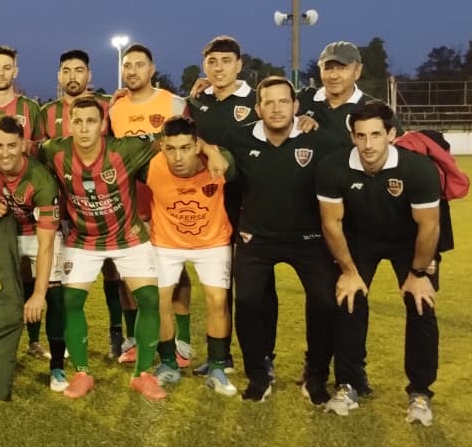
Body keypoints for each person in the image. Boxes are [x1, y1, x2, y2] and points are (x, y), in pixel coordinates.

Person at [39, 97, 226, 400]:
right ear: (69, 124)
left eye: (91, 121)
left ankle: (142, 375)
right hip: (83, 239)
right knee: (70, 300)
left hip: (128, 237)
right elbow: (22, 150)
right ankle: (82, 373)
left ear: (103, 125)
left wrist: (209, 150)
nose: (84, 128)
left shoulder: (126, 148)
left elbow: (171, 138)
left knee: (150, 299)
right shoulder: (53, 150)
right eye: (78, 121)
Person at [215, 76, 347, 403]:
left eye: (284, 102)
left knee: (324, 302)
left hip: (309, 238)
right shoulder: (238, 138)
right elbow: (220, 167)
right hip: (256, 238)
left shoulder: (320, 140)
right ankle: (258, 374)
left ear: (296, 106)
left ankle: (316, 375)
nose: (276, 109)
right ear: (258, 108)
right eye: (269, 102)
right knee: (248, 303)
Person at [316, 102, 442, 424]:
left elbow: (429, 227)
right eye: (361, 136)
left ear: (391, 134)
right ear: (352, 137)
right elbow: (331, 224)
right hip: (360, 240)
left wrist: (417, 273)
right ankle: (349, 384)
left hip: (410, 242)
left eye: (375, 135)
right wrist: (348, 271)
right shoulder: (333, 167)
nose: (368, 144)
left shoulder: (418, 169)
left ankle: (420, 392)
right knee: (348, 300)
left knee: (420, 304)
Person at [184, 35, 270, 375]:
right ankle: (222, 356)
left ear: (239, 65)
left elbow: (288, 115)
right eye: (212, 62)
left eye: (225, 61)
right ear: (204, 66)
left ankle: (264, 356)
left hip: (251, 203)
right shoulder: (197, 102)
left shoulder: (256, 100)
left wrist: (307, 118)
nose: (218, 68)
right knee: (219, 284)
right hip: (209, 205)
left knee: (257, 286)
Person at [0, 116, 67, 390]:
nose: (5, 153)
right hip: (4, 232)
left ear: (23, 145)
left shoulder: (41, 180)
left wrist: (39, 294)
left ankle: (57, 367)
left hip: (39, 233)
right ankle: (2, 355)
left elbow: (46, 246)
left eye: (11, 145)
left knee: (54, 294)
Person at [40, 50, 127, 362]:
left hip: (105, 207)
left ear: (89, 74)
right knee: (65, 277)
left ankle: (118, 334)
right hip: (64, 208)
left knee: (113, 273)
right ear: (59, 76)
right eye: (66, 70)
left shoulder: (109, 105)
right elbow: (38, 154)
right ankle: (66, 339)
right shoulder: (46, 112)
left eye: (79, 70)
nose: (72, 76)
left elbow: (120, 148)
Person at [108, 43, 190, 366]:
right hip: (127, 203)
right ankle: (133, 339)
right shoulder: (114, 110)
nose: (132, 71)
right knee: (127, 273)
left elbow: (190, 147)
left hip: (168, 202)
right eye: (127, 65)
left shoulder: (174, 103)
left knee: (177, 271)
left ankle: (182, 341)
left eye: (139, 65)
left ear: (152, 69)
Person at [145, 117, 238, 395]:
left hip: (212, 241)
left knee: (218, 300)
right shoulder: (150, 165)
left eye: (185, 148)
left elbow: (232, 166)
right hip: (166, 242)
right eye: (171, 149)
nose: (178, 157)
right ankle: (168, 363)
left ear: (197, 145)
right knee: (158, 300)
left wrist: (210, 151)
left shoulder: (219, 162)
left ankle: (217, 366)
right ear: (162, 146)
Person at [299, 41, 374, 135]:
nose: (333, 76)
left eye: (342, 68)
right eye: (328, 68)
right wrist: (294, 121)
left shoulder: (374, 110)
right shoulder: (302, 99)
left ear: (357, 70)